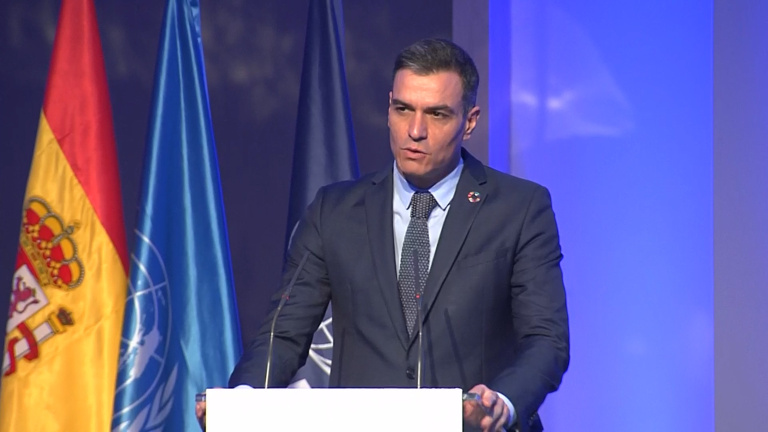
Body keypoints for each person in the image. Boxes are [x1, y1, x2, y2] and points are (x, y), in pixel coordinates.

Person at [198, 38, 569, 432]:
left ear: (470, 121)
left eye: (437, 114)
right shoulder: (335, 211)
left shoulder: (519, 208)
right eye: (403, 109)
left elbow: (546, 340)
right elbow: (284, 333)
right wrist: (242, 402)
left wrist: (503, 403)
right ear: (389, 107)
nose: (415, 130)